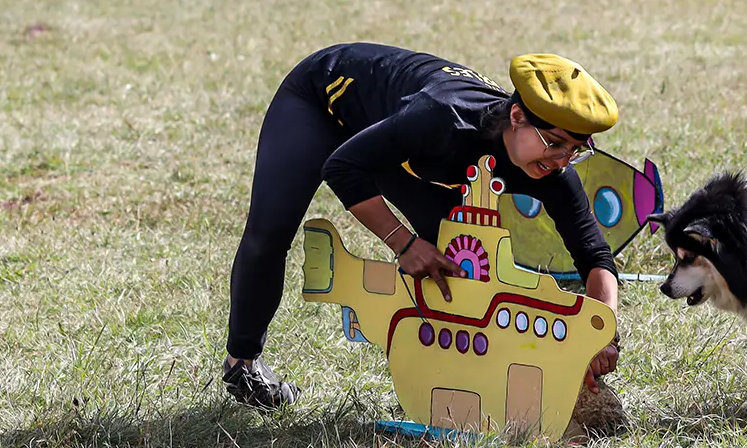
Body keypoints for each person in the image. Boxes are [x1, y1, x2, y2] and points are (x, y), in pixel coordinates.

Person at [222, 46, 624, 409]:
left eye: (575, 150)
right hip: (321, 103)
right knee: (269, 234)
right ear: (516, 117)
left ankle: (454, 382)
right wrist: (403, 243)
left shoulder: (553, 171)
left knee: (454, 255)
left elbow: (594, 254)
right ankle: (243, 363)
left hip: (397, 141)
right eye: (554, 143)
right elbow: (343, 168)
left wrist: (602, 330)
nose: (560, 160)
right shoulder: (442, 118)